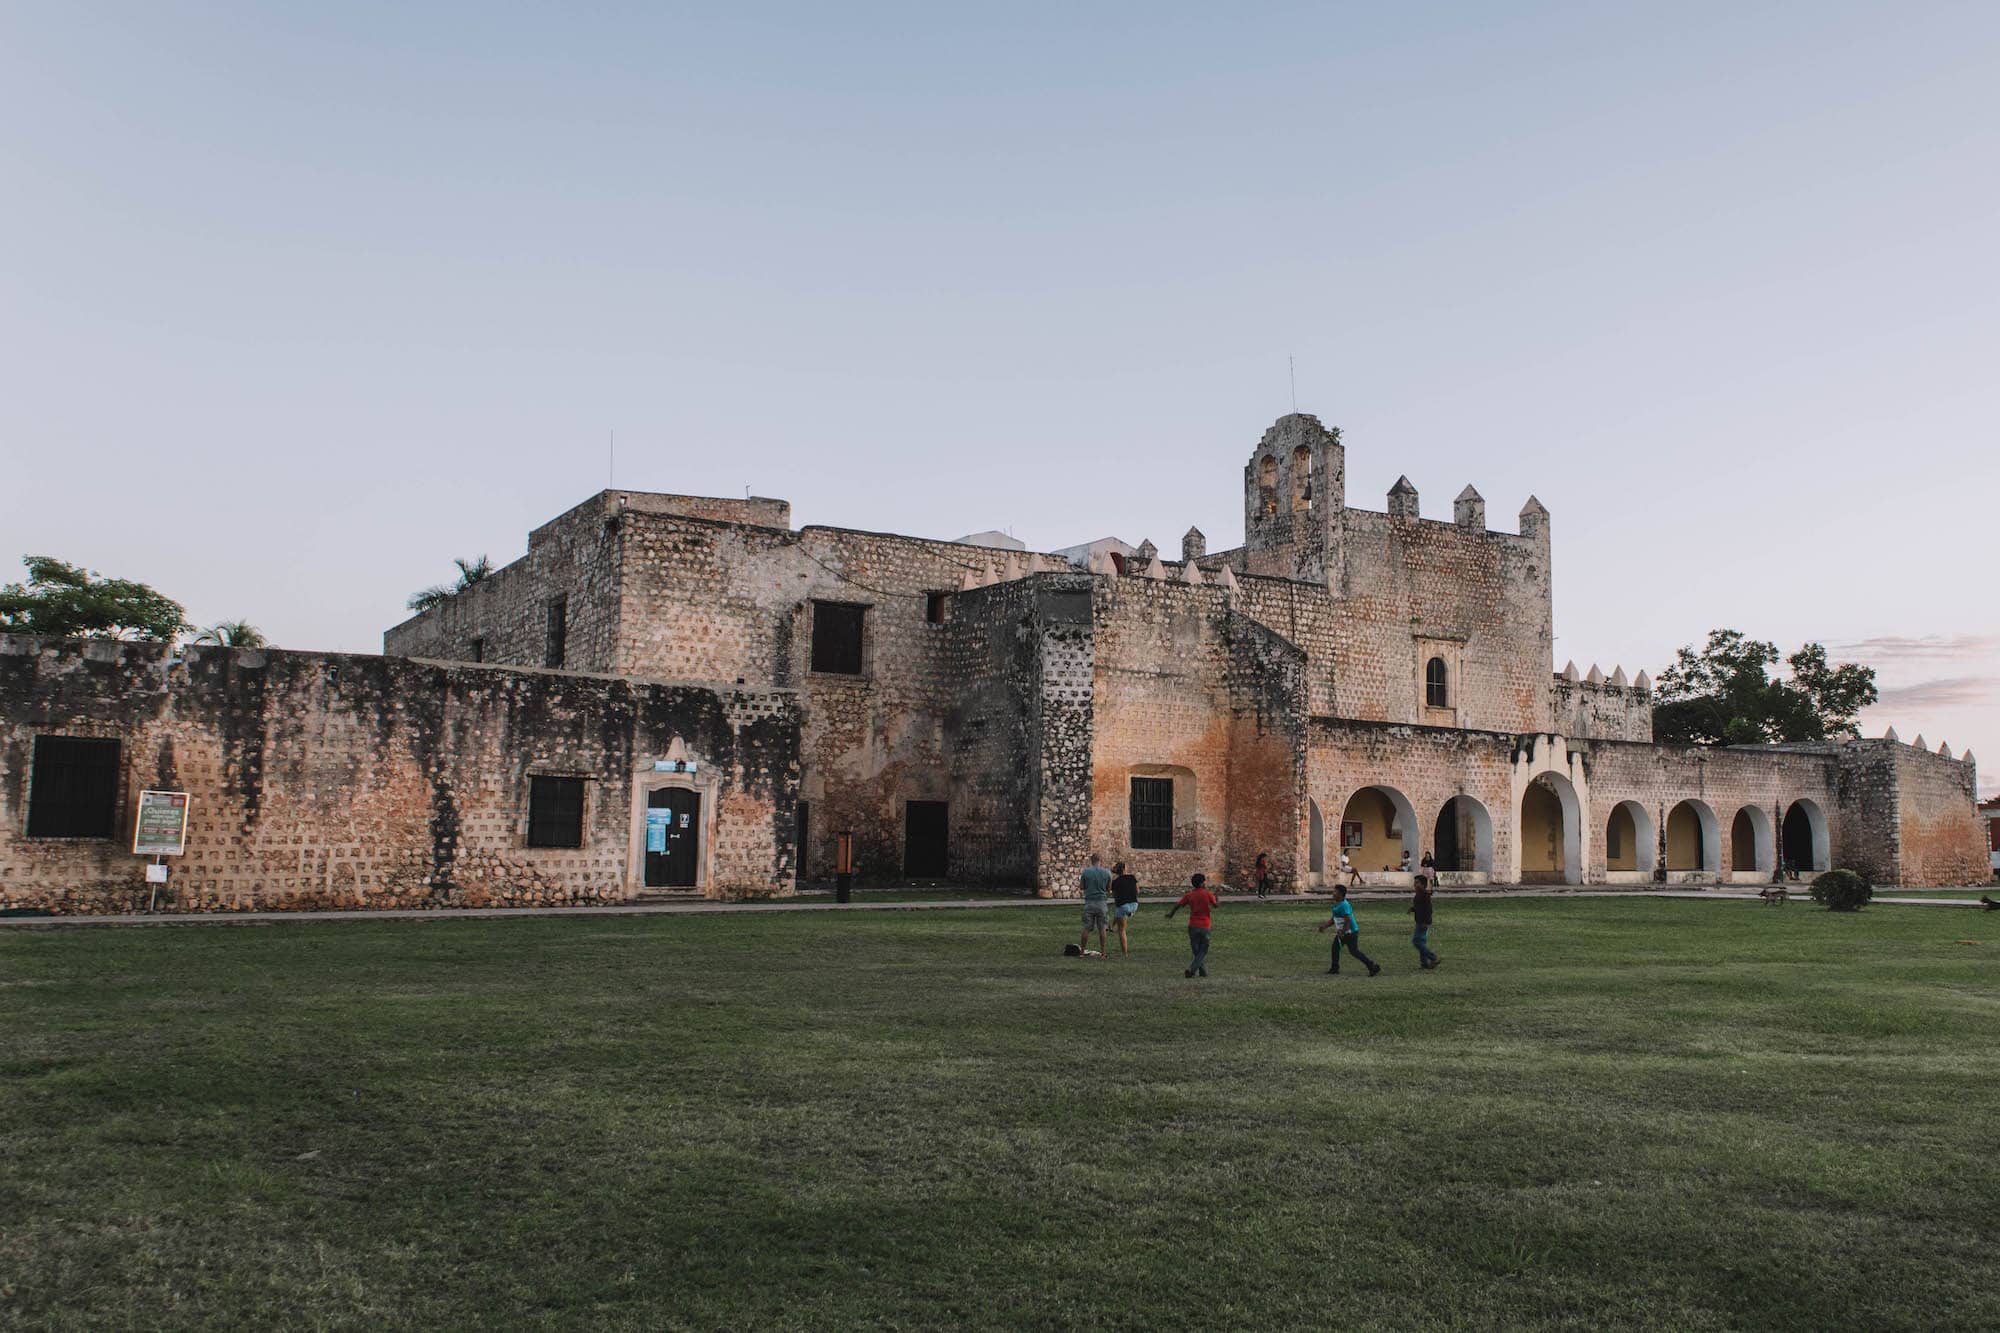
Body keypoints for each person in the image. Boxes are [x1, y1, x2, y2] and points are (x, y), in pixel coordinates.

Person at [1316, 884, 1380, 976]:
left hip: (1350, 932)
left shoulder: (1344, 905)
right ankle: (1335, 968)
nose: (1333, 893)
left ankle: (1372, 966)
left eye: (1335, 891)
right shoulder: (1337, 905)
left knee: (1354, 951)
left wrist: (1343, 931)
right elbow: (1334, 919)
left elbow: (1348, 919)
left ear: (1340, 894)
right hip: (1343, 932)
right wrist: (1324, 926)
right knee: (1335, 948)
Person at [1165, 872, 1218, 978]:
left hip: (1193, 926)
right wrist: (1217, 897)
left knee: (1196, 951)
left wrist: (1171, 914)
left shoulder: (1190, 895)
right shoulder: (1207, 894)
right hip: (1205, 926)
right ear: (1202, 883)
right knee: (1203, 950)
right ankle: (1192, 970)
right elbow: (1216, 905)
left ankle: (1203, 972)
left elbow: (1178, 905)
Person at [1078, 853, 1112, 957]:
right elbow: (1108, 889)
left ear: (1091, 861)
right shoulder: (1107, 873)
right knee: (1102, 928)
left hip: (1089, 902)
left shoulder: (1086, 872)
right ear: (1100, 860)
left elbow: (1082, 887)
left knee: (1086, 928)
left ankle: (1082, 952)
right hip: (1101, 902)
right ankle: (1103, 953)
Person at [1409, 876, 1439, 970]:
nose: (1415, 884)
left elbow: (1428, 910)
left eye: (1417, 882)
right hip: (1420, 921)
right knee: (1421, 942)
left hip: (1423, 922)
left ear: (1423, 885)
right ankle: (1424, 963)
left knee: (1417, 942)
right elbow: (1420, 907)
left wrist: (1426, 922)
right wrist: (1413, 909)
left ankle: (1433, 957)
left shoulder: (1423, 895)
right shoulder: (1419, 894)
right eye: (1415, 882)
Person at [1110, 860, 1140, 955]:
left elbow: (1115, 896)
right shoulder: (1132, 877)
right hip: (1134, 905)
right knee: (1119, 912)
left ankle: (1125, 953)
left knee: (1122, 930)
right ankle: (1112, 926)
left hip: (1123, 906)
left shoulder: (1115, 882)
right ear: (1124, 869)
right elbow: (1137, 891)